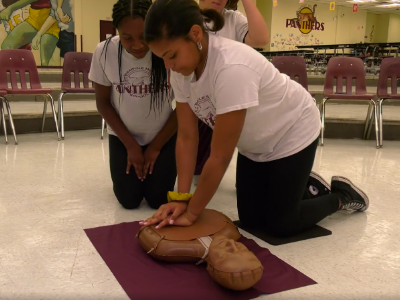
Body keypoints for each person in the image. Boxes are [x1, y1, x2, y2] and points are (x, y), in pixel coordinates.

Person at [140, 0, 369, 237]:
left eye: (172, 55)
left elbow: (219, 156)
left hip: (292, 130)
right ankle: (307, 186)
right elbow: (187, 138)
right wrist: (181, 199)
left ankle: (342, 196)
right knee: (251, 219)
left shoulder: (231, 68)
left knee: (281, 223)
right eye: (162, 59)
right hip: (255, 143)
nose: (169, 66)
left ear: (195, 34)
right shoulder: (182, 70)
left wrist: (191, 214)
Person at [88, 0, 177, 210]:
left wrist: (155, 147)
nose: (138, 45)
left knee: (158, 201)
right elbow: (102, 103)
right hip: (123, 136)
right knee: (129, 200)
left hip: (162, 136)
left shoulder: (167, 50)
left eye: (144, 37)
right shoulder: (104, 51)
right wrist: (130, 145)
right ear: (116, 30)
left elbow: (183, 106)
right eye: (128, 38)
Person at [193, 0, 269, 186]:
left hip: (229, 100)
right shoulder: (189, 15)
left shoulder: (233, 18)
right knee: (200, 169)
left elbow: (260, 39)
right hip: (200, 99)